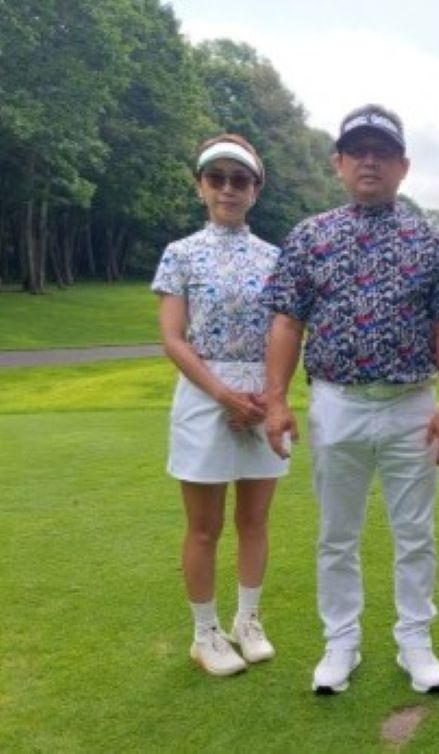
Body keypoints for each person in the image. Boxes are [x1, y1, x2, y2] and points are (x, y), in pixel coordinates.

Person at [261, 104, 439, 695]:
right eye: (358, 151)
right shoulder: (310, 236)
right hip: (337, 403)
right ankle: (341, 643)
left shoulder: (431, 240)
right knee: (337, 534)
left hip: (411, 405)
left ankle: (415, 641)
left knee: (415, 534)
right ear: (339, 163)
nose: (370, 162)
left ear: (404, 165)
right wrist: (275, 401)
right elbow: (286, 323)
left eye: (383, 152)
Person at [152, 134, 288, 677]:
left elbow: (284, 334)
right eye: (217, 178)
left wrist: (268, 396)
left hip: (261, 392)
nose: (228, 189)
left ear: (255, 190)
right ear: (200, 187)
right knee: (204, 526)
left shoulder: (276, 257)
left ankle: (247, 621)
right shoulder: (180, 253)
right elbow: (173, 337)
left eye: (240, 180)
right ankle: (205, 633)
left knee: (254, 520)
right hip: (204, 390)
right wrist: (223, 394)